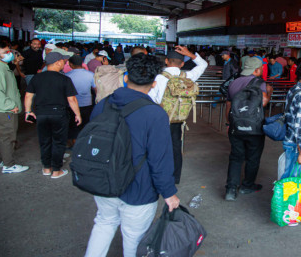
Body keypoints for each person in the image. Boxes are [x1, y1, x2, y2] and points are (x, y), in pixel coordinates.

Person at [84, 54, 180, 257]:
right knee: (134, 236)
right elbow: (159, 159)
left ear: (125, 77)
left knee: (104, 223)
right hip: (138, 187)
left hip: (104, 181)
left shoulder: (103, 104)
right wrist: (169, 193)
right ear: (154, 84)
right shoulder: (155, 114)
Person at [148, 46, 208, 184]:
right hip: (178, 119)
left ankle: (157, 175)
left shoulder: (158, 78)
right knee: (176, 147)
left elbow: (151, 99)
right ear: (182, 64)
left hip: (160, 118)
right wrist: (190, 54)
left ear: (167, 61)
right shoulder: (188, 76)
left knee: (157, 147)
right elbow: (203, 64)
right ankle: (175, 177)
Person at [24, 52, 81, 179]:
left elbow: (28, 95)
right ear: (58, 62)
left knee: (44, 141)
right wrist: (77, 114)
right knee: (58, 142)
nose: (65, 63)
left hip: (41, 114)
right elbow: (72, 99)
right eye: (63, 61)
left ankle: (46, 168)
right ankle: (56, 170)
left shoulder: (37, 78)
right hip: (59, 114)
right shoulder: (64, 79)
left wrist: (28, 111)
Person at [225, 57, 273, 201]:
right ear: (257, 70)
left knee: (235, 157)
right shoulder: (260, 83)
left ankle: (231, 189)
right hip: (254, 128)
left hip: (235, 126)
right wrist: (269, 91)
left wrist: (229, 124)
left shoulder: (233, 83)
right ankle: (247, 185)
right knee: (253, 157)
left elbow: (228, 106)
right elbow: (263, 102)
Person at [0, 42, 29, 173]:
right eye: (5, 53)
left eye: (9, 51)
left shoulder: (2, 67)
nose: (9, 54)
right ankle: (8, 165)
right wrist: (10, 105)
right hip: (4, 110)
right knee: (7, 137)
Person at [66, 55, 96, 145]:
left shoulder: (67, 76)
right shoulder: (90, 74)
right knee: (85, 123)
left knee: (73, 124)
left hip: (71, 104)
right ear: (82, 63)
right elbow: (96, 89)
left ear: (71, 64)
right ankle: (84, 142)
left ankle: (73, 142)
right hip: (87, 103)